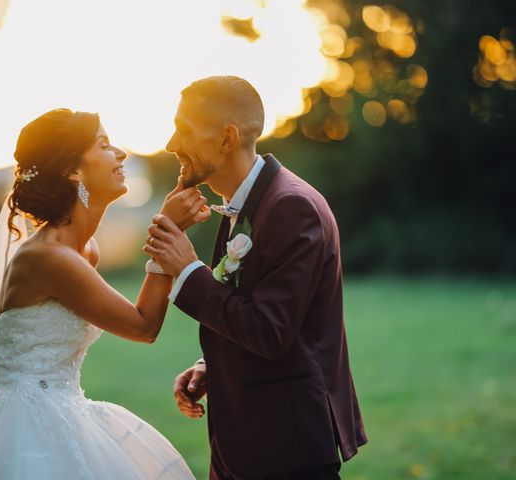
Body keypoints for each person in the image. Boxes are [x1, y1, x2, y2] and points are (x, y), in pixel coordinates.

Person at [0, 108, 206, 479]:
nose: (121, 154)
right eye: (104, 144)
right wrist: (167, 229)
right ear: (73, 171)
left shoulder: (84, 250)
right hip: (24, 422)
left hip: (67, 405)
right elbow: (143, 327)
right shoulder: (48, 257)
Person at [144, 76, 368, 479]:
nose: (171, 144)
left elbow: (270, 331)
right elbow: (256, 305)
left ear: (226, 139)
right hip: (245, 443)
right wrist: (211, 364)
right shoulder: (244, 203)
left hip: (285, 448)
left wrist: (189, 270)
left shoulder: (290, 206)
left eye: (185, 130)